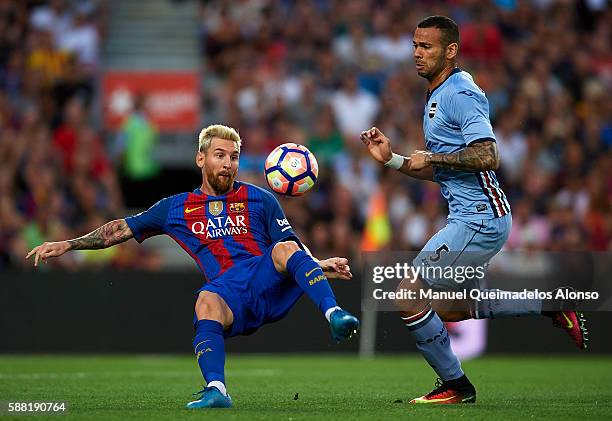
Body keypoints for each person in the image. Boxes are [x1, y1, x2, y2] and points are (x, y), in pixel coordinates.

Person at [26, 124, 360, 409]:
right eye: (219, 155)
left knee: (286, 246)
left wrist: (318, 265)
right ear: (201, 158)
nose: (228, 164)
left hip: (265, 280)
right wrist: (69, 243)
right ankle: (217, 389)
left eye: (233, 157)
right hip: (230, 294)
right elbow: (120, 229)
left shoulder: (261, 198)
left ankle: (335, 315)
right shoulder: (176, 208)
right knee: (204, 301)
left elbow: (291, 249)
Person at [360, 16, 587, 405]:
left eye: (426, 46)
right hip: (474, 216)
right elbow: (445, 171)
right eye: (415, 45)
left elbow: (489, 154)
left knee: (407, 295)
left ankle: (457, 386)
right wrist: (394, 160)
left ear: (451, 51)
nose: (416, 53)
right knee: (446, 308)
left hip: (479, 218)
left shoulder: (460, 92)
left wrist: (428, 154)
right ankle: (551, 305)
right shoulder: (436, 94)